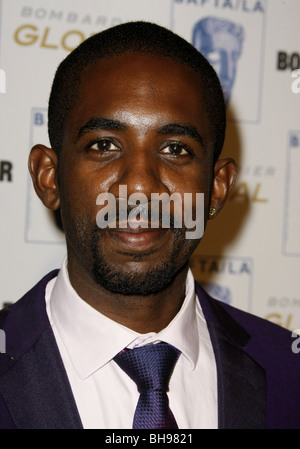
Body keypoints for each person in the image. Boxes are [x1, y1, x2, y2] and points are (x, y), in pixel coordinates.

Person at [0, 21, 299, 430]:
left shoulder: (289, 371)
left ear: (216, 188)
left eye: (175, 149)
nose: (139, 186)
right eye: (103, 145)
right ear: (49, 177)